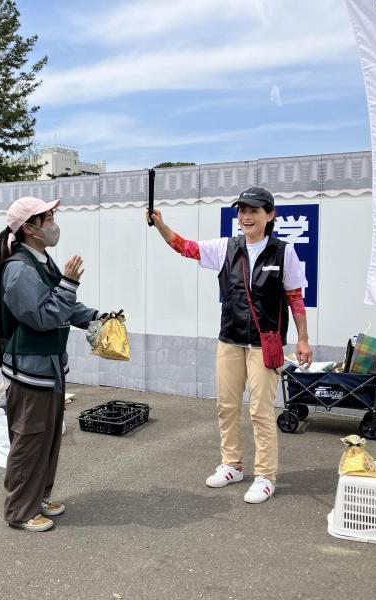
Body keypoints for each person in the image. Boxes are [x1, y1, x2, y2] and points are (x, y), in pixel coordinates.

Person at [148, 186, 312, 503]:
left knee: (261, 411)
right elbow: (186, 248)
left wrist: (303, 339)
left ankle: (265, 476)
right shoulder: (226, 247)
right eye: (242, 211)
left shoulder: (283, 252)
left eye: (254, 210)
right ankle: (232, 465)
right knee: (226, 407)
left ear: (270, 215)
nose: (246, 216)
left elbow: (295, 298)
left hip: (266, 343)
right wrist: (160, 225)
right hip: (230, 339)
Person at [0, 196, 103, 532]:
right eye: (47, 217)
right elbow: (42, 316)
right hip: (29, 372)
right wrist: (68, 282)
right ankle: (20, 511)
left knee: (49, 438)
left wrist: (97, 317)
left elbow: (63, 306)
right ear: (29, 227)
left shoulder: (42, 261)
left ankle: (38, 497)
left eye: (52, 215)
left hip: (49, 369)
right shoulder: (19, 269)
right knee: (29, 440)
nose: (53, 222)